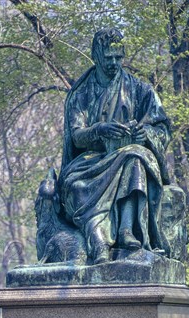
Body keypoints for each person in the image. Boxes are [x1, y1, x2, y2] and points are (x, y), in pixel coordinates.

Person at [57, 28, 172, 264]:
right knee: (77, 187)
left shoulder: (140, 90)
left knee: (135, 156)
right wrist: (99, 130)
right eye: (108, 57)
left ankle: (126, 230)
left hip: (128, 156)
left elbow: (162, 128)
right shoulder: (80, 94)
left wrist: (146, 134)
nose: (114, 63)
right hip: (89, 163)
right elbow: (76, 136)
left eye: (118, 57)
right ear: (96, 56)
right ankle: (98, 241)